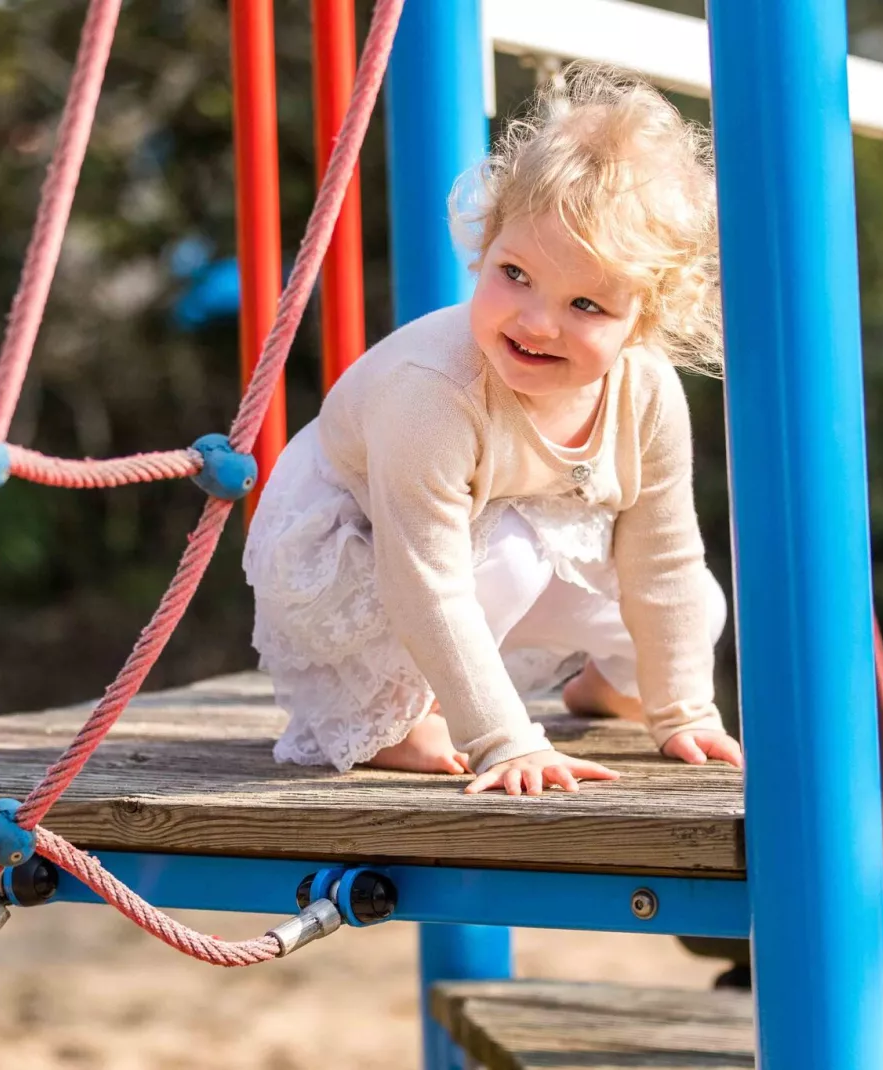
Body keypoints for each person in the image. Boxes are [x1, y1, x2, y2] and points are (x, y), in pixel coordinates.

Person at [242, 63, 742, 796]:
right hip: (363, 550)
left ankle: (608, 687)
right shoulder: (434, 394)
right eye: (515, 274)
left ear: (647, 319)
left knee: (698, 599)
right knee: (510, 558)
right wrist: (505, 741)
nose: (537, 322)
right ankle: (406, 714)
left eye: (587, 306)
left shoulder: (648, 393)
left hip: (505, 538)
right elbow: (426, 581)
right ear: (488, 241)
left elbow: (661, 558)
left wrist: (683, 711)